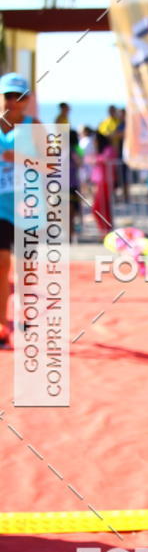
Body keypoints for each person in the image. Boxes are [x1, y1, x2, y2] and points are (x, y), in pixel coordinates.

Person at [0, 73, 37, 347]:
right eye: (8, 95)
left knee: (25, 267)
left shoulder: (34, 127)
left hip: (27, 206)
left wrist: (21, 158)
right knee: (2, 265)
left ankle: (26, 316)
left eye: (19, 96)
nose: (14, 102)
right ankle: (2, 325)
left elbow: (54, 166)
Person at [90, 130, 116, 237]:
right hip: (99, 183)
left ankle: (106, 231)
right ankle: (105, 230)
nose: (94, 143)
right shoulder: (99, 152)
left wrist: (95, 159)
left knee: (98, 208)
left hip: (105, 183)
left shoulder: (108, 150)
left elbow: (107, 159)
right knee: (102, 208)